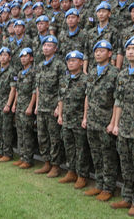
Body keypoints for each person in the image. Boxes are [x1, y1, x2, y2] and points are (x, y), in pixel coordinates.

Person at [109, 35, 134, 217]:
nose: (131, 52)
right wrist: (115, 124)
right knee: (126, 166)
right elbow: (118, 101)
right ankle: (127, 197)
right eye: (128, 49)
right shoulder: (122, 74)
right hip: (124, 127)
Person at [83, 40, 120, 201]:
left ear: (110, 53)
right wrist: (85, 116)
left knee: (108, 156)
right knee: (96, 154)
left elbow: (117, 100)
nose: (98, 53)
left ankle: (108, 187)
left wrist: (113, 123)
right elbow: (87, 97)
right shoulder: (91, 72)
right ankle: (98, 184)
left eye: (102, 51)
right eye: (96, 51)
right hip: (92, 120)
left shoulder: (115, 73)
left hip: (106, 121)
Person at [56, 50, 90, 188]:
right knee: (69, 147)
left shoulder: (86, 80)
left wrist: (85, 117)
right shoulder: (64, 79)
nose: (71, 63)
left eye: (74, 60)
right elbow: (61, 98)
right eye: (69, 61)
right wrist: (60, 114)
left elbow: (88, 100)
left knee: (81, 149)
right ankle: (71, 171)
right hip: (66, 119)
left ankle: (82, 175)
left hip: (79, 119)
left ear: (81, 62)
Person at [34, 35, 65, 178]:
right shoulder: (40, 66)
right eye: (44, 45)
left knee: (54, 138)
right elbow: (38, 87)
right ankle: (46, 162)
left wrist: (59, 108)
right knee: (42, 136)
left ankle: (55, 165)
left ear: (55, 48)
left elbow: (62, 88)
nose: (46, 48)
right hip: (41, 107)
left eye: (49, 45)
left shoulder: (59, 65)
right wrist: (37, 105)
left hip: (53, 107)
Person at [12, 48, 37, 169]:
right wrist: (14, 104)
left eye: (26, 56)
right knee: (20, 132)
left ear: (31, 58)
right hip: (19, 107)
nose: (23, 58)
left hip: (27, 107)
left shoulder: (33, 72)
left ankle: (28, 159)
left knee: (27, 133)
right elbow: (17, 90)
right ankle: (22, 156)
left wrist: (30, 106)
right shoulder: (20, 73)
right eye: (21, 56)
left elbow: (34, 91)